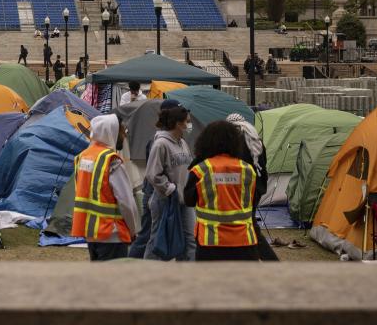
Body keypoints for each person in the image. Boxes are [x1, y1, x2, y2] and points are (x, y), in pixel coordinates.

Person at [183, 120, 259, 261]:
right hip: (244, 241)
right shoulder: (248, 170)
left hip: (210, 242)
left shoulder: (200, 170)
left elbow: (189, 201)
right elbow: (253, 202)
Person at [71, 114, 139, 261]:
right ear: (112, 132)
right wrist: (133, 230)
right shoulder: (112, 161)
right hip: (112, 234)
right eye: (121, 131)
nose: (124, 136)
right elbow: (127, 203)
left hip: (91, 233)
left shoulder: (82, 157)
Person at [143, 100, 196, 261]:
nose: (188, 125)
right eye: (186, 122)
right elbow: (153, 173)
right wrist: (169, 189)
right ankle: (147, 275)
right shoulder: (160, 144)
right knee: (157, 241)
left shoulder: (183, 143)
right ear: (178, 124)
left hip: (184, 201)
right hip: (165, 200)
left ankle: (186, 278)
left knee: (190, 240)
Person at [226, 112, 279, 261]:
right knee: (246, 225)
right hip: (258, 188)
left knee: (249, 227)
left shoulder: (237, 142)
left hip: (244, 191)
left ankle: (270, 260)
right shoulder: (256, 140)